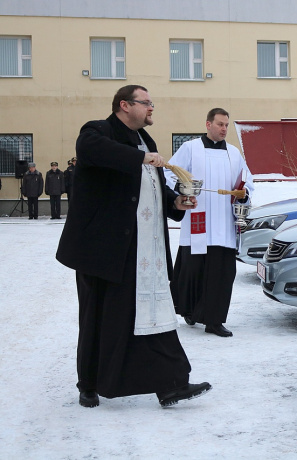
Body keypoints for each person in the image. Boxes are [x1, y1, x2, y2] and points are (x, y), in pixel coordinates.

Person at [56, 84, 212, 409]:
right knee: (97, 317)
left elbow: (153, 187)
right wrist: (141, 157)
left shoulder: (147, 141)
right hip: (103, 251)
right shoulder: (98, 132)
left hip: (144, 253)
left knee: (154, 318)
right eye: (146, 103)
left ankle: (171, 384)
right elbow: (94, 151)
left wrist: (177, 203)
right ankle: (88, 384)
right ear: (125, 106)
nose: (152, 108)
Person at [164, 108, 254, 338]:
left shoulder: (233, 153)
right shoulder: (190, 148)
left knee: (221, 274)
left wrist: (243, 193)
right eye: (220, 124)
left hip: (223, 224)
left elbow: (247, 182)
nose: (224, 129)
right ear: (208, 125)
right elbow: (170, 173)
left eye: (226, 125)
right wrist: (182, 191)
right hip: (198, 218)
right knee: (193, 270)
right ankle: (189, 310)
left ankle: (215, 320)